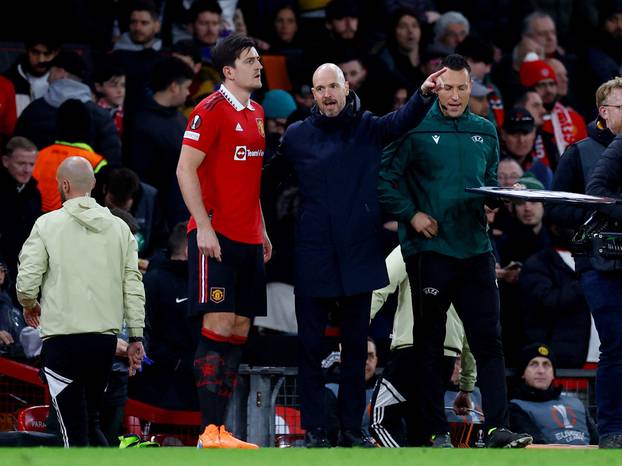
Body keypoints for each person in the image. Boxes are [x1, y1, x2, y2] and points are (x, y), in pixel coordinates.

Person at [264, 59, 446, 448]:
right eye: (320, 89)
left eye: (333, 87)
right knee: (309, 350)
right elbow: (268, 179)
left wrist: (424, 93)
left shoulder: (369, 127)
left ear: (346, 87)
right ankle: (313, 429)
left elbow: (401, 121)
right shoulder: (296, 135)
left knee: (354, 351)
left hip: (358, 254)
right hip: (313, 255)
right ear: (312, 95)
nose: (328, 95)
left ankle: (351, 429)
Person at [378, 53, 532, 448]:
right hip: (430, 251)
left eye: (463, 88)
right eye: (448, 87)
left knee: (489, 342)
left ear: (471, 89)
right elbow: (383, 181)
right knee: (429, 343)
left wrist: (502, 197)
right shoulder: (412, 128)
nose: (456, 95)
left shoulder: (484, 129)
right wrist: (411, 216)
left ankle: (498, 427)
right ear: (435, 86)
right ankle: (434, 431)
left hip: (476, 250)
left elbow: (486, 184)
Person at [176, 34, 269, 450]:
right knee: (216, 325)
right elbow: (184, 169)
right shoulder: (208, 109)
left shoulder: (258, 112)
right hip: (216, 234)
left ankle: (221, 431)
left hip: (249, 234)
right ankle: (208, 431)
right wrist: (203, 226)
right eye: (251, 60)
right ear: (228, 71)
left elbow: (251, 179)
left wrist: (262, 226)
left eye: (258, 60)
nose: (259, 66)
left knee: (238, 329)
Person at [15, 156, 145, 447]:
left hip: (62, 340)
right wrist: (136, 335)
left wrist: (28, 303)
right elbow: (133, 287)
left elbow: (26, 280)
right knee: (89, 420)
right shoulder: (120, 229)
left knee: (69, 430)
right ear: (94, 185)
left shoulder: (46, 224)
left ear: (64, 184)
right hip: (103, 344)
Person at [369, 245, 477, 447]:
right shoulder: (468, 252)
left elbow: (379, 287)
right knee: (420, 430)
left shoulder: (409, 246)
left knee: (380, 421)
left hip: (412, 348)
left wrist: (356, 331)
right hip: (447, 356)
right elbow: (473, 323)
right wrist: (466, 385)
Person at [584, 82, 622, 448]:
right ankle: (611, 429)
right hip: (607, 261)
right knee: (617, 344)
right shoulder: (617, 147)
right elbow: (596, 191)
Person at [14, 50, 122, 165]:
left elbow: (17, 149)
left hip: (41, 180)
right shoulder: (101, 115)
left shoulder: (34, 110)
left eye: (50, 72)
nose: (47, 79)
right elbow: (112, 160)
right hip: (87, 181)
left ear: (60, 72)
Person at [125, 56, 193, 229]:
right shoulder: (141, 122)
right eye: (186, 87)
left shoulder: (180, 118)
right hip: (155, 214)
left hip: (181, 208)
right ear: (174, 87)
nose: (188, 93)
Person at [509, 343, 598, 445]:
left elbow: (598, 441)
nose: (541, 371)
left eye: (546, 365)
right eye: (534, 364)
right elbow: (535, 445)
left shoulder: (576, 403)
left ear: (553, 374)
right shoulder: (516, 407)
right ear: (523, 373)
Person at [33, 99, 108, 213]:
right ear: (88, 126)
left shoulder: (37, 156)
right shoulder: (97, 163)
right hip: (73, 224)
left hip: (36, 223)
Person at [0, 137, 40, 297]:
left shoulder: (34, 194)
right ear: (5, 161)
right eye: (21, 163)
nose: (27, 170)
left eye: (31, 164)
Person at [2, 32, 60, 116]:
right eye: (35, 52)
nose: (41, 60)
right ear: (27, 50)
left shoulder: (64, 84)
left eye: (47, 54)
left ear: (56, 53)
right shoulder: (8, 81)